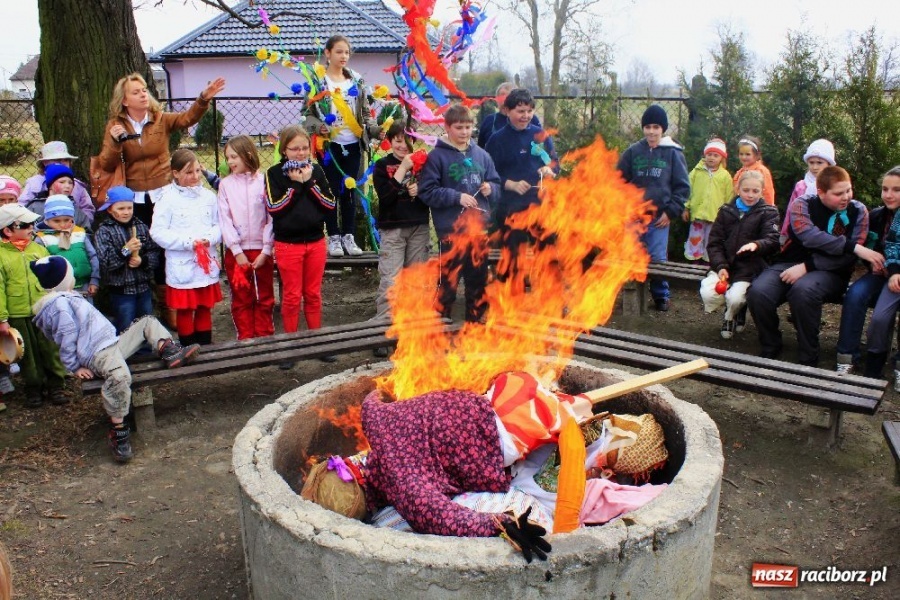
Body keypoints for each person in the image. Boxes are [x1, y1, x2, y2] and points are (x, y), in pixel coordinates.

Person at [29, 255, 200, 462]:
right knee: (120, 377)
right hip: (97, 353)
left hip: (111, 343)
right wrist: (73, 366)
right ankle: (118, 430)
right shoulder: (59, 306)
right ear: (63, 281)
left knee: (147, 322)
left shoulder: (68, 297)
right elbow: (66, 337)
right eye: (70, 274)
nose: (73, 276)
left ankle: (169, 351)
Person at [98, 72, 225, 325]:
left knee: (169, 251)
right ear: (124, 100)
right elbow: (106, 163)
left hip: (163, 193)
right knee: (146, 250)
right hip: (134, 197)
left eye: (145, 89)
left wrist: (203, 99)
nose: (143, 94)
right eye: (136, 92)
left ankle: (173, 313)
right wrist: (114, 142)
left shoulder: (159, 119)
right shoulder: (116, 125)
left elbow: (187, 118)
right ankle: (149, 307)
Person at [747, 166, 883, 366]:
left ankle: (808, 356)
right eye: (838, 193)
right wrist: (850, 246)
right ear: (820, 192)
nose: (846, 197)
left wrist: (808, 266)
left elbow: (848, 259)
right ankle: (771, 345)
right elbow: (809, 237)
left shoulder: (859, 211)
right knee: (758, 292)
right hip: (789, 262)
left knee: (803, 291)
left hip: (832, 271)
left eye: (848, 190)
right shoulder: (802, 204)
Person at [418, 104, 501, 323]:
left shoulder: (482, 156)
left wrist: (490, 188)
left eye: (467, 127)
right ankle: (441, 328)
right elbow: (427, 191)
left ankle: (473, 328)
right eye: (459, 127)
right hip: (451, 231)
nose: (464, 132)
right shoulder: (437, 157)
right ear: (447, 128)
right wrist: (456, 197)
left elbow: (496, 184)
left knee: (477, 281)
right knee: (449, 282)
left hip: (478, 230)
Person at [264, 126, 336, 359]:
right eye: (295, 149)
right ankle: (290, 347)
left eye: (305, 148)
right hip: (288, 245)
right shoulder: (274, 174)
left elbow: (329, 204)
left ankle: (317, 344)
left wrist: (309, 184)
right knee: (292, 296)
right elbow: (275, 209)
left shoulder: (316, 171)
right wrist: (295, 186)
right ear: (284, 149)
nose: (301, 153)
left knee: (313, 294)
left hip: (315, 241)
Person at [307, 35, 381, 257]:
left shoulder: (356, 81)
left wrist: (376, 130)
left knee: (350, 190)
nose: (344, 56)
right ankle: (334, 237)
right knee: (330, 191)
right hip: (330, 146)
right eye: (339, 51)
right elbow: (307, 114)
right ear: (328, 53)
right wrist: (319, 126)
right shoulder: (318, 82)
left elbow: (366, 113)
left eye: (347, 52)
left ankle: (349, 236)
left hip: (353, 145)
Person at [616, 105, 691, 311]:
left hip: (659, 219)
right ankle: (632, 296)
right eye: (647, 126)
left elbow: (682, 187)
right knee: (632, 256)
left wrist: (670, 211)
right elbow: (618, 181)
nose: (651, 131)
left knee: (658, 259)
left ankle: (661, 295)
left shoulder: (673, 153)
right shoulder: (633, 151)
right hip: (635, 217)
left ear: (663, 129)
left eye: (656, 127)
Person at [485, 88, 558, 290]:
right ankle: (511, 296)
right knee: (513, 255)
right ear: (507, 111)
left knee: (547, 251)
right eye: (520, 111)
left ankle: (549, 294)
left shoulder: (540, 135)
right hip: (510, 208)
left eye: (529, 111)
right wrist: (510, 184)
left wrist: (549, 170)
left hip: (539, 205)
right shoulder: (497, 139)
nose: (525, 116)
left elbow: (555, 163)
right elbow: (488, 173)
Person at [150, 149, 223, 346]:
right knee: (184, 309)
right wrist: (188, 242)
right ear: (175, 173)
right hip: (182, 264)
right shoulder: (167, 199)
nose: (195, 177)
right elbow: (157, 232)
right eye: (189, 172)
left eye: (198, 171)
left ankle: (205, 348)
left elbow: (219, 225)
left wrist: (210, 238)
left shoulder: (208, 197)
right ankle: (188, 348)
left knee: (203, 307)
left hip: (205, 264)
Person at [0, 204, 67, 407]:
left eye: (32, 223)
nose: (32, 227)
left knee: (50, 349)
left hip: (42, 309)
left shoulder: (39, 249)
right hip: (18, 314)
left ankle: (56, 385)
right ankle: (33, 388)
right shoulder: (2, 256)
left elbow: (53, 279)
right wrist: (2, 318)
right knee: (27, 354)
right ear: (7, 230)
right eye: (26, 224)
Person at [371, 122, 430, 354]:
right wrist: (403, 168)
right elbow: (385, 197)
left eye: (406, 140)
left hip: (418, 227)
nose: (401, 145)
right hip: (393, 230)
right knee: (391, 282)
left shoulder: (425, 165)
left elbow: (433, 195)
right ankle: (382, 336)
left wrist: (421, 191)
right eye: (397, 140)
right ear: (390, 141)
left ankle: (413, 335)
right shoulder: (381, 166)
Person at [699, 171, 780, 339]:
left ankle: (730, 315)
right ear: (738, 189)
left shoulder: (768, 212)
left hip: (749, 269)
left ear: (762, 191)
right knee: (708, 293)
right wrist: (720, 266)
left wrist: (756, 244)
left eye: (755, 191)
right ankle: (736, 308)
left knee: (735, 298)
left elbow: (772, 240)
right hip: (725, 266)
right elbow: (714, 242)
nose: (750, 195)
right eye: (746, 190)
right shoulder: (726, 211)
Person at [218, 135, 275, 340]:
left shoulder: (265, 181)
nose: (230, 162)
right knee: (241, 297)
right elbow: (225, 219)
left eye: (234, 156)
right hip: (238, 253)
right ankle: (246, 337)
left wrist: (266, 250)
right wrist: (236, 251)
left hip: (261, 251)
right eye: (227, 158)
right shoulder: (225, 185)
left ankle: (265, 336)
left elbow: (271, 218)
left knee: (264, 295)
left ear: (247, 154)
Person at [849, 166, 900, 379]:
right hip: (893, 277)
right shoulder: (879, 215)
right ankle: (873, 367)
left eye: (896, 190)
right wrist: (892, 271)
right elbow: (890, 245)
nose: (888, 194)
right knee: (879, 319)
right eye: (885, 189)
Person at [94, 185, 161, 333]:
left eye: (129, 208)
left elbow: (154, 252)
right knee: (126, 327)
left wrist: (143, 261)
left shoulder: (141, 226)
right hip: (121, 292)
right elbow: (106, 262)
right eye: (121, 209)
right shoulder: (104, 231)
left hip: (143, 287)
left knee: (147, 324)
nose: (126, 212)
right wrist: (126, 250)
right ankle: (128, 354)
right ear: (110, 209)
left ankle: (146, 354)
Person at [35, 195, 99, 302]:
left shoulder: (80, 233)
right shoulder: (42, 239)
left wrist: (94, 280)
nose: (63, 225)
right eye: (57, 221)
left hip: (84, 286)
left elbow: (92, 256)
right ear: (47, 220)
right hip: (57, 289)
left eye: (67, 220)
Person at [18, 141, 95, 225]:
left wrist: (78, 224)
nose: (62, 163)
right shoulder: (35, 183)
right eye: (57, 160)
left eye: (65, 160)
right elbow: (22, 206)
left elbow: (87, 209)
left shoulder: (77, 186)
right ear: (45, 162)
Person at [682, 138, 733, 262]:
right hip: (698, 214)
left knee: (711, 241)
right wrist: (685, 207)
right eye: (709, 154)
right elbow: (687, 190)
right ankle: (695, 263)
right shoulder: (696, 172)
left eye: (716, 155)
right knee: (695, 240)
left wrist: (727, 213)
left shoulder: (725, 176)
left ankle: (708, 264)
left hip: (715, 217)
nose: (712, 158)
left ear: (722, 158)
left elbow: (729, 196)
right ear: (705, 155)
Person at [780, 139, 837, 241]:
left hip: (827, 235)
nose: (815, 167)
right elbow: (790, 211)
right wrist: (785, 234)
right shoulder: (801, 186)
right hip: (800, 234)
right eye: (811, 162)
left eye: (819, 163)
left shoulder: (834, 186)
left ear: (828, 164)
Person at [25, 164, 93, 230]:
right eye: (62, 182)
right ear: (50, 185)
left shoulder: (76, 210)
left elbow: (86, 232)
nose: (67, 186)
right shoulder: (35, 207)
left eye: (70, 183)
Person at [476, 82, 542, 148]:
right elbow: (480, 148)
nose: (505, 101)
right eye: (502, 97)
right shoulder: (490, 120)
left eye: (509, 98)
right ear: (496, 100)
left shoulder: (531, 119)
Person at [731, 136, 776, 206]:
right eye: (741, 154)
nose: (744, 157)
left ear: (756, 155)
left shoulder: (761, 171)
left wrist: (768, 211)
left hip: (758, 211)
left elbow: (768, 194)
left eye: (747, 154)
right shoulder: (739, 172)